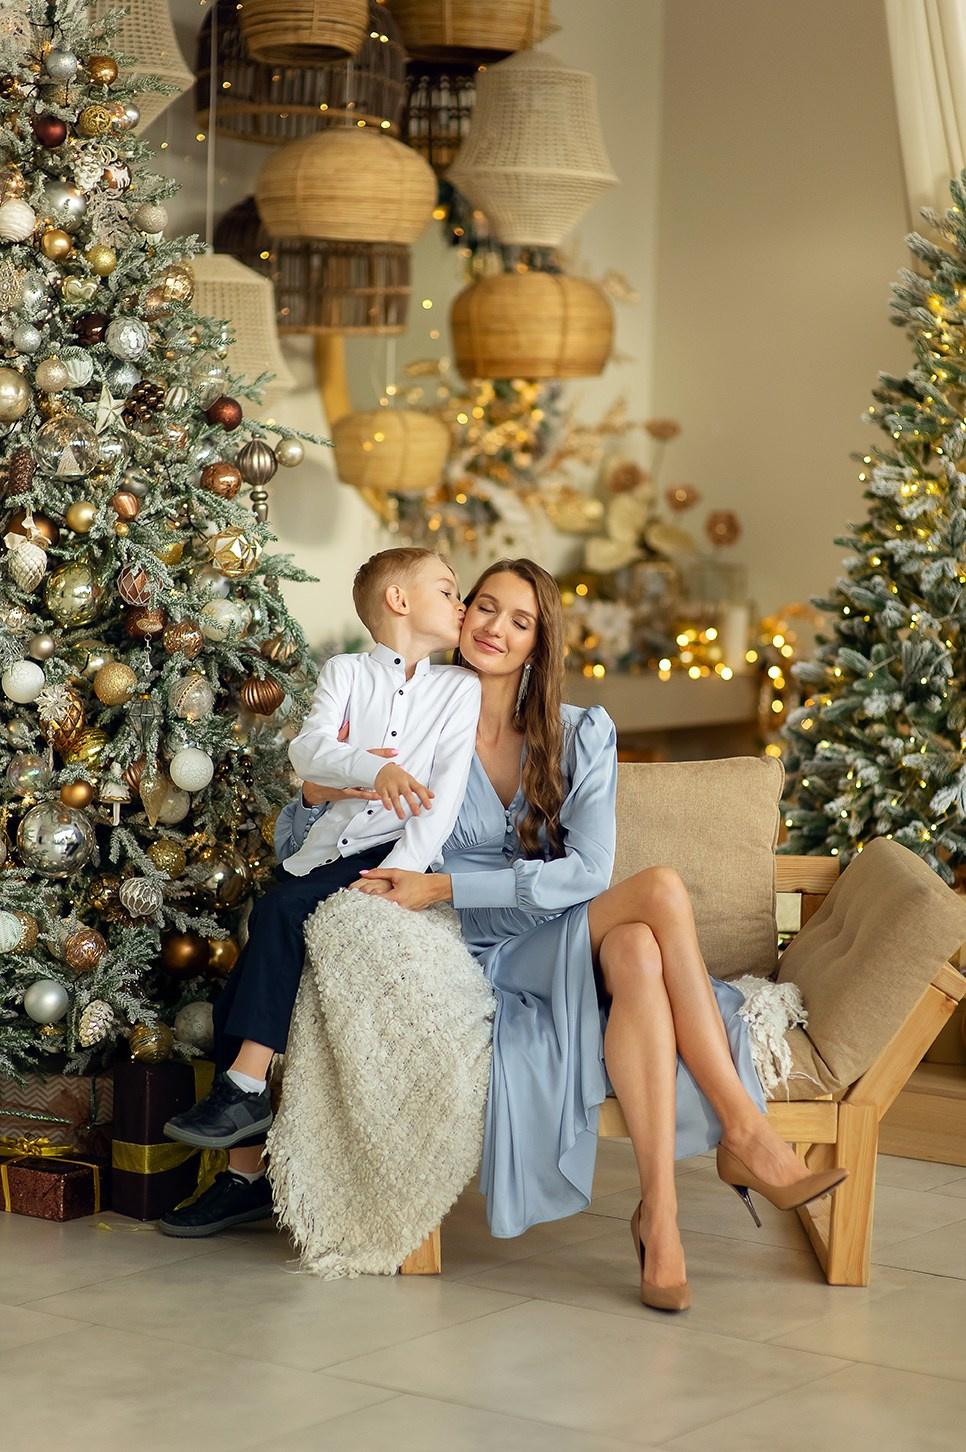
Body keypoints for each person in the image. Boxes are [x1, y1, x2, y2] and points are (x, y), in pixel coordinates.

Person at [297, 558, 846, 1310]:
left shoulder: (583, 732)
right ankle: (745, 1137)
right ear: (459, 618)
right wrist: (321, 789)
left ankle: (662, 1214)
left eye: (519, 621)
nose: (494, 627)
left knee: (636, 947)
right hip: (494, 955)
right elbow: (328, 809)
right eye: (483, 606)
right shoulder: (417, 722)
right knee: (657, 895)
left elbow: (588, 875)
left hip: (572, 936)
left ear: (538, 642)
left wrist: (447, 882)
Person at [158, 546, 480, 1238]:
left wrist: (407, 869)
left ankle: (244, 1093)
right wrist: (373, 767)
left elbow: (446, 795)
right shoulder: (346, 673)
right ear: (398, 600)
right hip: (319, 853)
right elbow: (307, 753)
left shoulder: (460, 690)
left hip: (385, 854)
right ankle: (245, 1174)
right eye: (449, 591)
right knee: (236, 987)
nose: (461, 605)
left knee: (275, 911)